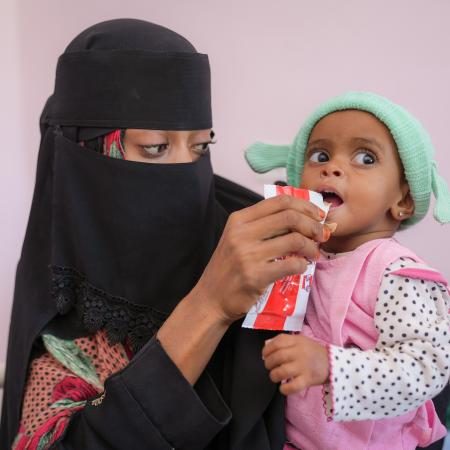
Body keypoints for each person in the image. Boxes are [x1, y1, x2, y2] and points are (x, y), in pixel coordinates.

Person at [0, 19, 334, 450]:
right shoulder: (62, 321)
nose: (185, 173)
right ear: (87, 157)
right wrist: (210, 306)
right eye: (155, 148)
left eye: (200, 147)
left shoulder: (250, 239)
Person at [245, 92, 450, 449]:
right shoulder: (300, 255)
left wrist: (330, 365)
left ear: (402, 200)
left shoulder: (397, 273)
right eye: (320, 155)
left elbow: (426, 368)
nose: (332, 167)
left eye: (365, 158)